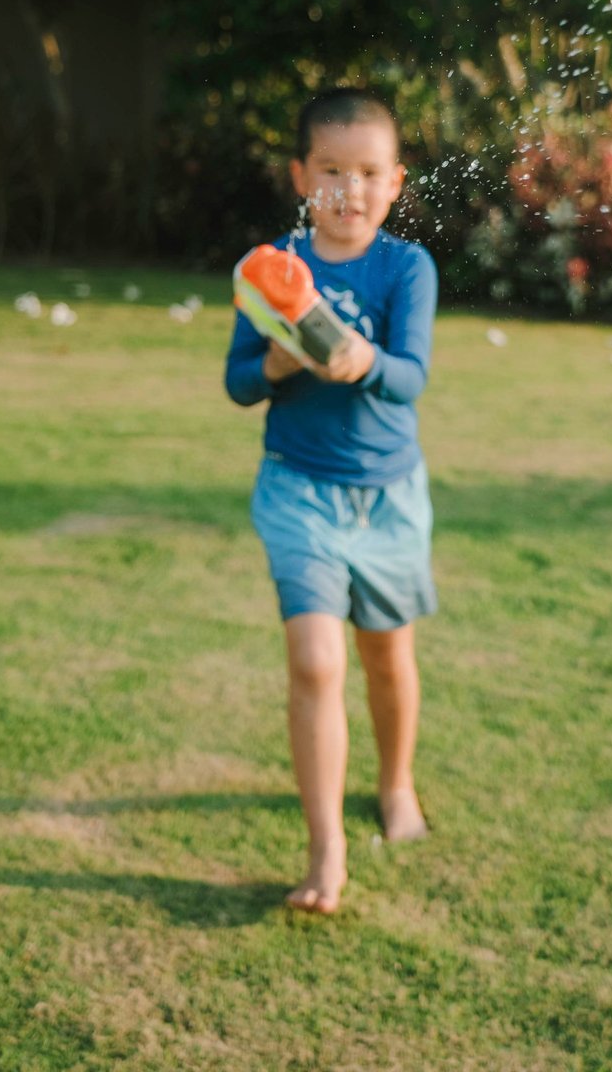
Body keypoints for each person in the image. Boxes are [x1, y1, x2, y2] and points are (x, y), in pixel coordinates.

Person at [225, 87, 438, 915]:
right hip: (298, 494)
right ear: (300, 177)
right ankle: (326, 851)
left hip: (387, 500)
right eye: (331, 171)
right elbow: (238, 381)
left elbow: (413, 375)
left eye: (368, 172)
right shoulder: (271, 270)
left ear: (395, 183)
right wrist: (276, 367)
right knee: (317, 661)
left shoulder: (406, 269)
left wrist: (366, 363)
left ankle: (395, 786)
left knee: (387, 657)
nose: (349, 190)